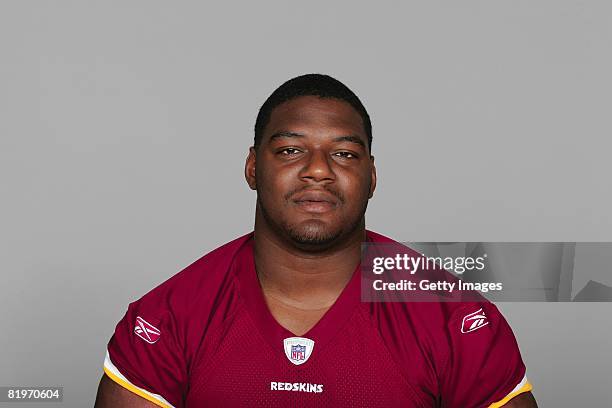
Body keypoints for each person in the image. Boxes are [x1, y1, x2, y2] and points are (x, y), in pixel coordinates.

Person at [94, 74, 537, 407]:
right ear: (252, 168)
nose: (319, 170)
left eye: (344, 153)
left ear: (372, 177)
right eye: (291, 150)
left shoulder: (452, 316)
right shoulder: (166, 319)